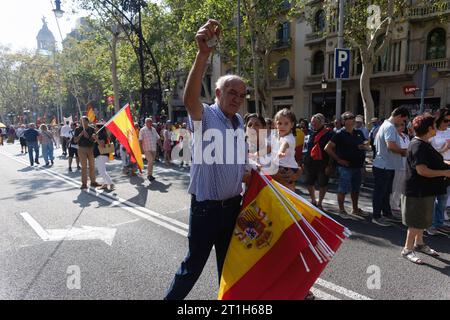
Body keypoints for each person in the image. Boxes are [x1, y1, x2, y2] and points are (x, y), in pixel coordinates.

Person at [165, 19, 252, 300]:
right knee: (192, 268)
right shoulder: (204, 116)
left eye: (241, 95)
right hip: (206, 210)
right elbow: (189, 99)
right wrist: (203, 54)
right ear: (217, 94)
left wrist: (253, 178)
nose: (237, 99)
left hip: (232, 209)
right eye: (231, 93)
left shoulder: (238, 120)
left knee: (229, 270)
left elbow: (240, 161)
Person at [401, 113, 450, 264]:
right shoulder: (417, 145)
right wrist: (444, 172)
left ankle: (420, 244)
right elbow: (422, 170)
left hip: (425, 189)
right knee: (416, 222)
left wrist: (446, 164)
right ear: (429, 128)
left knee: (422, 220)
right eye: (435, 125)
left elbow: (433, 163)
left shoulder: (424, 143)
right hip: (416, 191)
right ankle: (407, 250)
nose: (437, 127)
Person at [325, 112, 369, 218]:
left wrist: (365, 145)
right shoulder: (339, 134)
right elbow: (327, 148)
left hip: (358, 166)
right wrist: (339, 160)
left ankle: (355, 209)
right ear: (344, 121)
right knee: (342, 189)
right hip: (345, 167)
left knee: (356, 189)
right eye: (349, 118)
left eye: (353, 118)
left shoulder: (358, 132)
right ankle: (341, 210)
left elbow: (365, 143)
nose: (353, 120)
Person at [372, 107, 410, 227]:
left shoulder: (385, 125)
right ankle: (376, 216)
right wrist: (404, 152)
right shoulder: (389, 127)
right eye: (403, 120)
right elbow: (391, 146)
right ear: (398, 116)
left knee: (386, 192)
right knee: (380, 192)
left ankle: (387, 213)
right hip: (384, 165)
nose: (403, 123)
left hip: (386, 165)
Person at [301, 113, 333, 210]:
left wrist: (330, 165)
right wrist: (303, 161)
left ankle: (320, 202)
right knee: (309, 183)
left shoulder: (329, 133)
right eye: (312, 122)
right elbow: (305, 148)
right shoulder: (309, 133)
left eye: (315, 122)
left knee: (323, 184)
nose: (313, 124)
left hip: (323, 163)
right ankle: (313, 200)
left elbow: (332, 150)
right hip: (309, 163)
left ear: (322, 122)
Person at [428, 108, 450, 235]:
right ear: (439, 119)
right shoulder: (433, 132)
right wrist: (444, 149)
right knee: (433, 197)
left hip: (449, 166)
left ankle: (439, 223)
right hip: (437, 166)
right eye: (446, 120)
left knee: (444, 198)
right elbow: (428, 151)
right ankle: (430, 224)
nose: (447, 123)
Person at [270, 108, 300, 191]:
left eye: (286, 123)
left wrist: (281, 152)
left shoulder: (289, 138)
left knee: (286, 190)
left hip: (286, 167)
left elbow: (284, 145)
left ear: (292, 125)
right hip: (283, 166)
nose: (282, 126)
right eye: (279, 123)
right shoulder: (277, 137)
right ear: (275, 124)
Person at [74, 116, 101, 190]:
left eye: (82, 121)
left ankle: (93, 182)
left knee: (92, 166)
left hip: (91, 148)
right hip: (82, 149)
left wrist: (89, 136)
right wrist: (81, 134)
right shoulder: (77, 129)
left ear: (87, 121)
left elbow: (94, 140)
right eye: (80, 121)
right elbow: (75, 140)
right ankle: (84, 183)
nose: (81, 122)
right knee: (84, 167)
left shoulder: (92, 129)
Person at [390, 121, 410, 214]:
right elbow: (395, 149)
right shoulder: (394, 137)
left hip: (406, 164)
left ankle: (397, 203)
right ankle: (393, 204)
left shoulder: (405, 136)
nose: (402, 127)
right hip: (397, 164)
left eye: (403, 125)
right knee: (395, 185)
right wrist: (404, 151)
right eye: (400, 125)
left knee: (402, 186)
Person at [93, 124, 115, 191]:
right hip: (100, 155)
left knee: (102, 171)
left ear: (99, 128)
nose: (95, 128)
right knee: (102, 171)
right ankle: (105, 184)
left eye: (95, 127)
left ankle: (111, 183)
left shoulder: (102, 135)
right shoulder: (101, 135)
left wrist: (96, 138)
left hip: (101, 155)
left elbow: (102, 145)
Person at [139, 118, 160, 182]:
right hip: (146, 149)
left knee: (151, 162)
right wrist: (141, 149)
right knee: (150, 161)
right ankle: (149, 175)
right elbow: (140, 140)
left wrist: (161, 146)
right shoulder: (142, 130)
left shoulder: (153, 129)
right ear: (146, 123)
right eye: (149, 122)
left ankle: (150, 174)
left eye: (151, 122)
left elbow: (158, 138)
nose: (150, 123)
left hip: (153, 148)